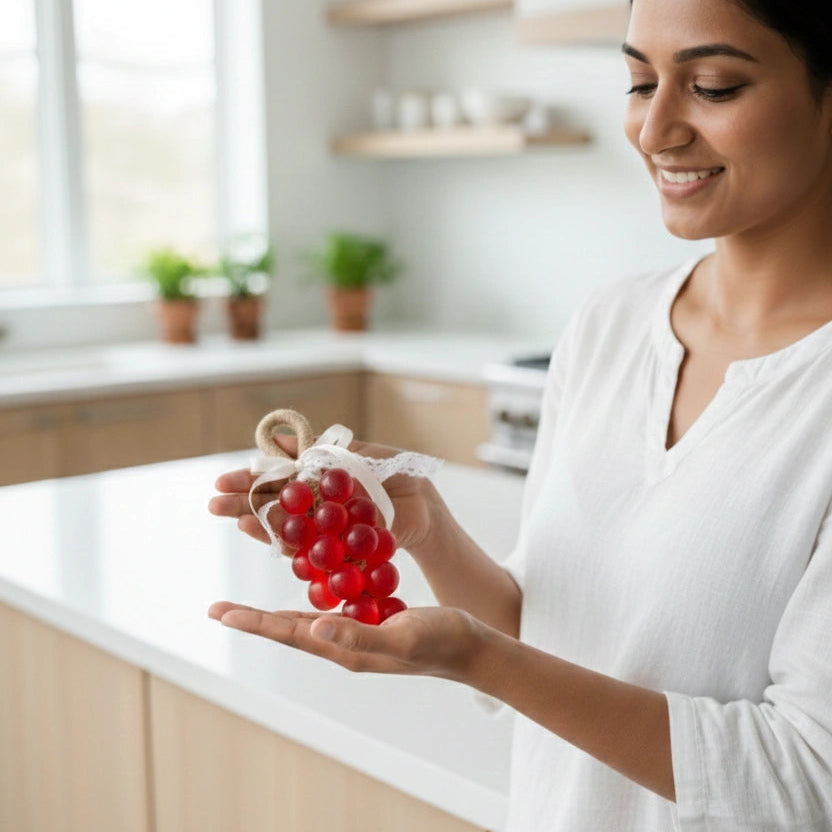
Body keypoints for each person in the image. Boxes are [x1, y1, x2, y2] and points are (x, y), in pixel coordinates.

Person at [208, 0, 832, 827]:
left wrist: (477, 659)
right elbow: (545, 637)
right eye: (641, 82)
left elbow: (804, 780)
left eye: (713, 86)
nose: (655, 130)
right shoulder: (609, 325)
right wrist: (428, 530)